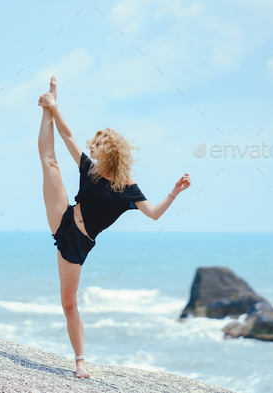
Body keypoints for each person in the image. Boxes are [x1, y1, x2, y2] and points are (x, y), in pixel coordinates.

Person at [37, 76, 191, 378]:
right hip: (64, 218)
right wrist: (53, 107)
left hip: (78, 243)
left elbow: (154, 214)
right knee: (50, 162)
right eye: (91, 144)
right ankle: (45, 105)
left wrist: (174, 192)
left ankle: (80, 361)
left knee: (69, 304)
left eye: (96, 145)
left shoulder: (127, 189)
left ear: (109, 150)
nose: (90, 148)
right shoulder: (89, 169)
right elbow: (67, 137)